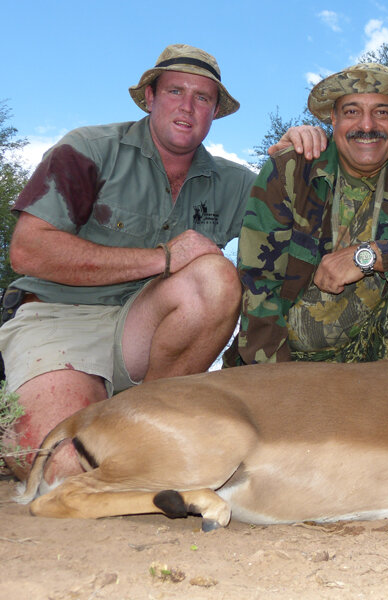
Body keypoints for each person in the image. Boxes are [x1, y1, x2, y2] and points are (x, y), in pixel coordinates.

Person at [0, 44, 322, 483]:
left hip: (149, 334)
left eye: (203, 97)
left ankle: (146, 423)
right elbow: (28, 250)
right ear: (150, 97)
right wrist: (163, 258)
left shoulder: (233, 182)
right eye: (175, 91)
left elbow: (300, 228)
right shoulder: (89, 149)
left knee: (214, 279)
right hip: (60, 320)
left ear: (214, 112)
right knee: (59, 471)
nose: (187, 107)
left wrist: (293, 164)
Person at [225, 63, 388, 368]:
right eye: (352, 111)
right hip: (292, 363)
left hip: (378, 356)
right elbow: (259, 287)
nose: (367, 126)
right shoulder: (290, 168)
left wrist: (371, 255)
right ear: (334, 118)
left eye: (381, 112)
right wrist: (279, 386)